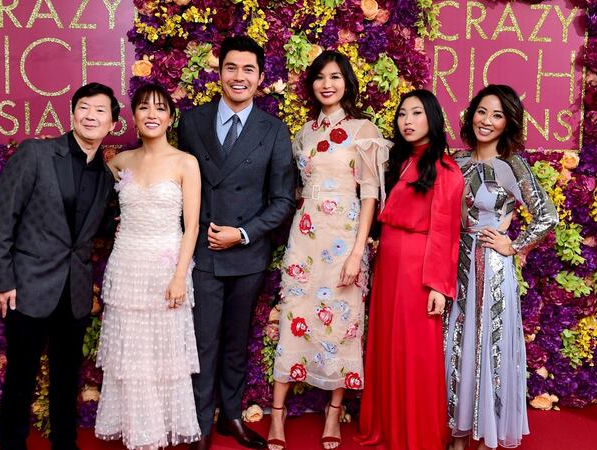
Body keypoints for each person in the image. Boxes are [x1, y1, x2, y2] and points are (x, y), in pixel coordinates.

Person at [267, 50, 391, 450]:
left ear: (346, 82)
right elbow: (297, 190)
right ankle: (277, 415)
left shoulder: (363, 130)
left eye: (335, 77)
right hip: (305, 236)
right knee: (294, 315)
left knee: (344, 319)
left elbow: (370, 194)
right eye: (320, 77)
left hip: (345, 236)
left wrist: (357, 253)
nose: (327, 84)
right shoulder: (303, 133)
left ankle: (333, 412)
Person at [177, 35, 296, 450]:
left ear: (261, 77)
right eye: (232, 67)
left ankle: (229, 417)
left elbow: (282, 200)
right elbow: (178, 187)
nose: (239, 76)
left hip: (247, 254)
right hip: (204, 253)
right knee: (203, 341)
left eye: (248, 69)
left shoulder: (274, 131)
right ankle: (198, 425)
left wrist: (242, 233)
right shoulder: (191, 122)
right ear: (220, 72)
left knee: (235, 342)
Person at [0, 82, 120, 450]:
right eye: (84, 108)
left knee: (66, 376)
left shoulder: (106, 177)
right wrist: (1, 280)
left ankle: (65, 442)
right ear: (72, 113)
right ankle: (12, 444)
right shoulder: (36, 154)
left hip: (74, 291)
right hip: (27, 286)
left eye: (100, 111)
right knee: (21, 376)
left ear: (112, 123)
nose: (91, 116)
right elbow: (2, 219)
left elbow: (94, 228)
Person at [446, 85, 558, 450]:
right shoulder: (455, 160)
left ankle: (486, 432)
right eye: (482, 111)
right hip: (456, 261)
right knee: (458, 340)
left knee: (488, 342)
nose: (487, 121)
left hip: (493, 266)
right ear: (471, 114)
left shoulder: (513, 166)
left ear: (508, 122)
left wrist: (514, 245)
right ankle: (459, 430)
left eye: (497, 115)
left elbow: (546, 216)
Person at [94, 84, 202, 449]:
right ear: (134, 117)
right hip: (126, 265)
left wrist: (178, 278)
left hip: (165, 266)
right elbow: (94, 205)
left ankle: (161, 432)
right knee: (132, 354)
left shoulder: (186, 162)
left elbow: (193, 226)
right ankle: (139, 432)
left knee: (163, 355)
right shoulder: (120, 162)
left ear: (170, 117)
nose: (151, 114)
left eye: (159, 108)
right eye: (143, 108)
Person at [357, 89, 464, 450]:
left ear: (432, 119)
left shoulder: (446, 170)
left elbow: (445, 232)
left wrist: (438, 285)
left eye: (416, 113)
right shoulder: (399, 163)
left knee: (415, 351)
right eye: (402, 114)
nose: (407, 121)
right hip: (389, 263)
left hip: (418, 268)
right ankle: (387, 426)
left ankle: (417, 434)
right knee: (387, 345)